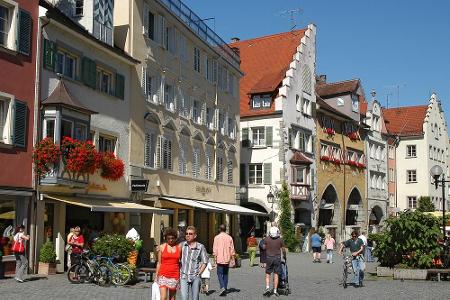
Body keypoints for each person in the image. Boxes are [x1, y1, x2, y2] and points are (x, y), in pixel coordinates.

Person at [180, 226, 208, 300]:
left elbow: (205, 262)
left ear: (195, 235)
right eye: (186, 233)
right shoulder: (182, 245)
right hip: (184, 276)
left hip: (195, 276)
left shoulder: (200, 247)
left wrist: (199, 273)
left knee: (195, 298)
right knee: (184, 297)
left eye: (190, 234)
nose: (188, 235)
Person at [155, 228, 181, 300]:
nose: (171, 240)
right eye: (168, 238)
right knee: (163, 297)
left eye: (172, 238)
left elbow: (181, 261)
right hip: (163, 274)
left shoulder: (179, 247)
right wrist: (156, 275)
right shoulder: (162, 247)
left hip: (174, 274)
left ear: (175, 238)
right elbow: (159, 262)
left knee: (172, 297)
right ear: (165, 238)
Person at [263, 226, 286, 297]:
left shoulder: (266, 239)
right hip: (277, 258)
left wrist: (268, 247)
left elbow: (263, 247)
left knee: (268, 274)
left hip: (269, 258)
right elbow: (283, 250)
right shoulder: (280, 239)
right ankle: (275, 290)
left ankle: (267, 288)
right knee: (276, 274)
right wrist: (285, 256)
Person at [213, 224, 236, 296]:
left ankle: (222, 287)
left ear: (219, 229)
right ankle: (225, 288)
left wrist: (214, 260)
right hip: (227, 259)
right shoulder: (229, 238)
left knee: (219, 274)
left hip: (219, 259)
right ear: (226, 229)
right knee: (225, 274)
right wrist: (233, 260)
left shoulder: (216, 238)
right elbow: (232, 250)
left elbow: (215, 250)